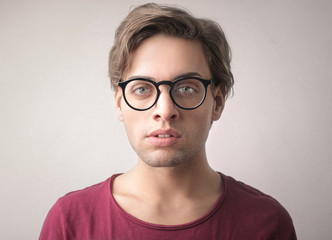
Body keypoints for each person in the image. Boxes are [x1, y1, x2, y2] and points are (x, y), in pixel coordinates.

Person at [39, 3, 297, 239]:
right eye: (142, 89)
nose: (165, 110)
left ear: (216, 102)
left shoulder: (267, 223)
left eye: (186, 88)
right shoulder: (69, 221)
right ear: (119, 103)